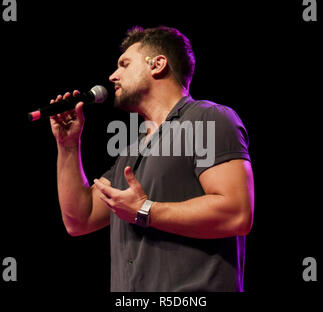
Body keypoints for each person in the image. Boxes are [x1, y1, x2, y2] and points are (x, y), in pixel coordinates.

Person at [50, 26, 254, 292]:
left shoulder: (209, 118)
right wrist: (67, 146)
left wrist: (146, 211)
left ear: (157, 64)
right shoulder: (130, 152)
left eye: (124, 64)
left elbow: (237, 213)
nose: (113, 76)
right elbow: (80, 219)